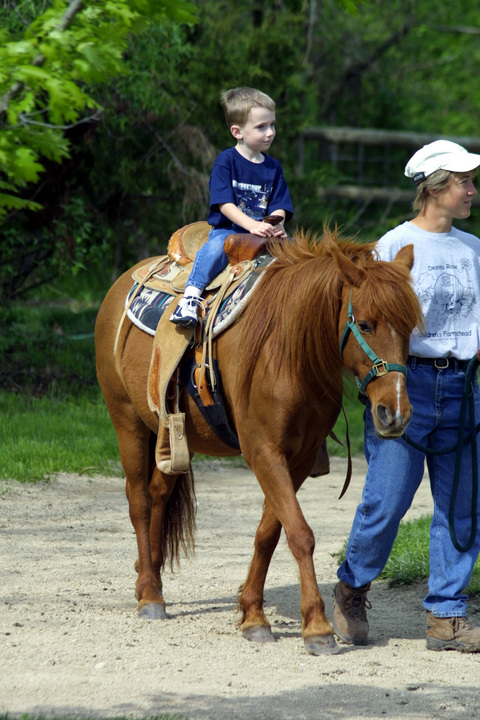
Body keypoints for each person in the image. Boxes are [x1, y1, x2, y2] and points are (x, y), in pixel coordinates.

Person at [333, 139, 480, 653]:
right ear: (435, 187)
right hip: (406, 383)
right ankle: (352, 587)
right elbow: (368, 324)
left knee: (461, 507)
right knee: (388, 500)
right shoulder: (392, 246)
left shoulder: (474, 249)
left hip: (463, 386)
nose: (472, 191)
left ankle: (447, 615)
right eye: (464, 182)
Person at [170, 86, 293, 328]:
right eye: (261, 127)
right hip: (230, 231)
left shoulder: (273, 167)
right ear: (237, 132)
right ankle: (191, 297)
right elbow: (224, 203)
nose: (270, 132)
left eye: (272, 124)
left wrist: (276, 223)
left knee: (296, 252)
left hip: (262, 233)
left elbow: (280, 205)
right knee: (215, 248)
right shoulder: (226, 161)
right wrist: (252, 225)